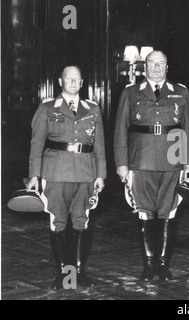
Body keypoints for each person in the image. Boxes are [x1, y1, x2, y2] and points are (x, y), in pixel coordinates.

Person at [114, 50, 189, 282]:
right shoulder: (131, 92)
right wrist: (121, 163)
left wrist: (188, 165)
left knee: (169, 212)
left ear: (167, 67)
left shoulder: (181, 91)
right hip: (141, 160)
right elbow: (120, 130)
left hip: (173, 160)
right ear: (144, 66)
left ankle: (163, 265)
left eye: (161, 64)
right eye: (152, 63)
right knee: (145, 211)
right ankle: (149, 266)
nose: (157, 68)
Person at [26, 65, 106, 289]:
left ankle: (78, 272)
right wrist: (34, 175)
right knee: (58, 221)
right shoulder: (47, 108)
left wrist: (101, 175)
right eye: (68, 79)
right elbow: (37, 144)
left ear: (82, 83)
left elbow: (99, 144)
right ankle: (64, 273)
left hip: (86, 172)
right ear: (60, 82)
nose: (73, 82)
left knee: (82, 220)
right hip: (55, 173)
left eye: (77, 79)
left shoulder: (92, 108)